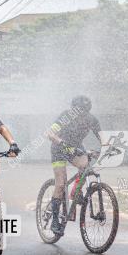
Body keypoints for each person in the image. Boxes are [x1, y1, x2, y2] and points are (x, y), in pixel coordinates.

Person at [46, 96, 104, 235]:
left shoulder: (92, 119)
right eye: (78, 111)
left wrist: (108, 148)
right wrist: (61, 143)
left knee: (86, 166)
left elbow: (103, 138)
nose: (81, 115)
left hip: (75, 148)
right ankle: (55, 220)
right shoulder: (66, 116)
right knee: (60, 185)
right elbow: (50, 133)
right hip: (59, 148)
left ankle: (74, 193)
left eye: (84, 112)